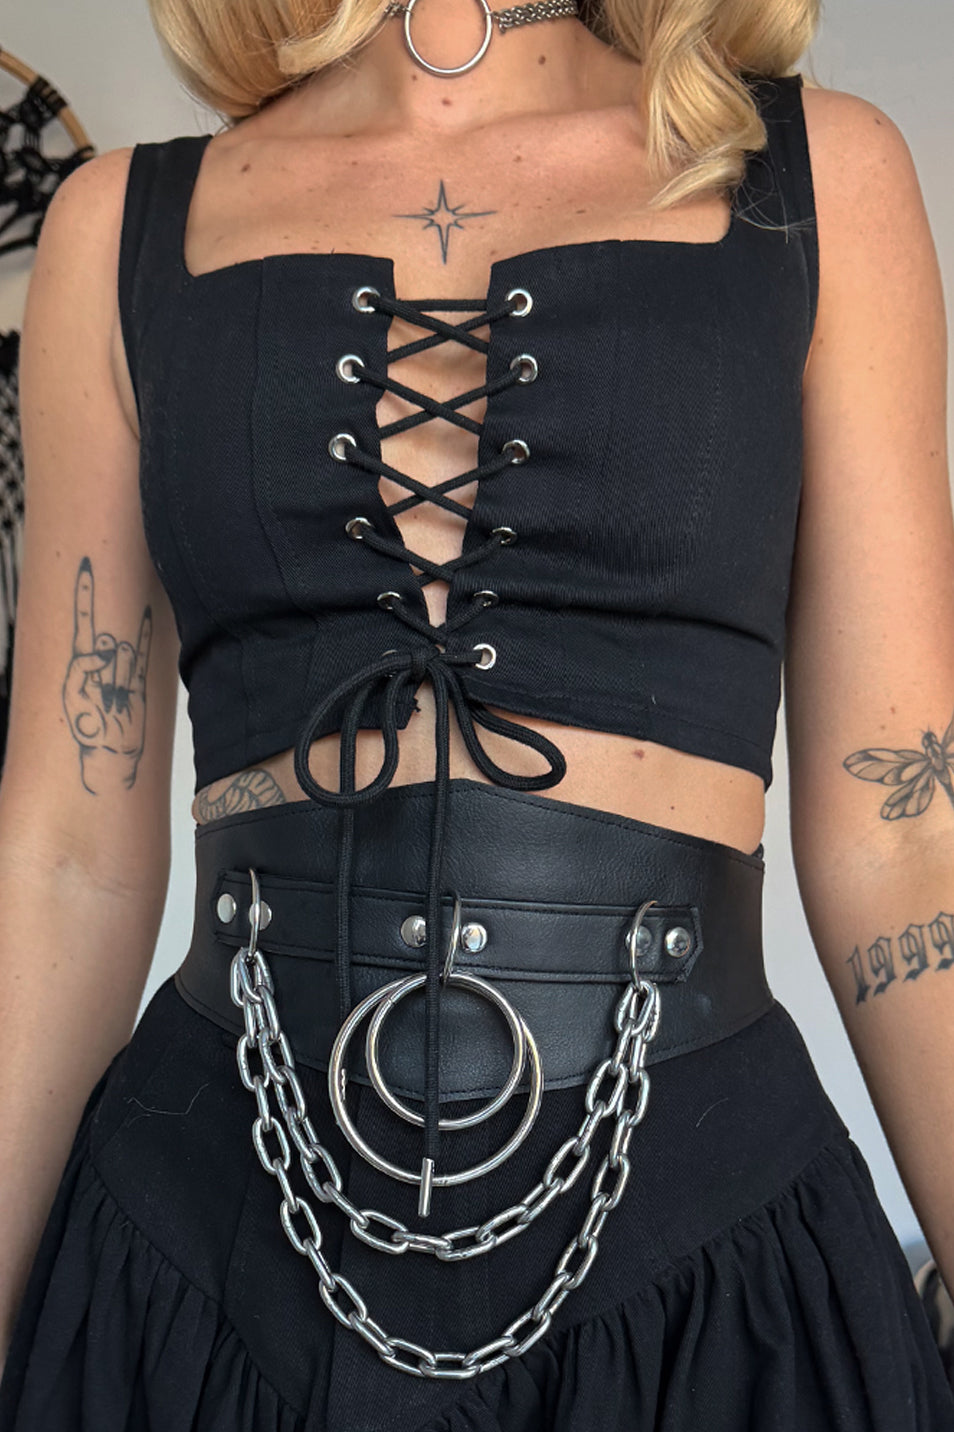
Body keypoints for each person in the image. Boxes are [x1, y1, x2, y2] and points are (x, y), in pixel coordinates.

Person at [0, 0, 953, 1425]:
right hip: (203, 1248)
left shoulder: (820, 181)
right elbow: (67, 858)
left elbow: (906, 834)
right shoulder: (113, 229)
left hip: (708, 1249)